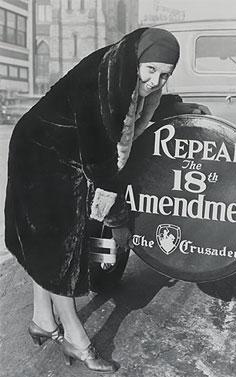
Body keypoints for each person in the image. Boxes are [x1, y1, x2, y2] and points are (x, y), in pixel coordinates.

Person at [4, 27, 210, 373]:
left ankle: (43, 319)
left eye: (165, 75)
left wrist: (177, 106)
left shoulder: (127, 71)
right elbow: (100, 161)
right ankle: (76, 339)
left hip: (63, 149)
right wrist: (118, 218)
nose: (156, 81)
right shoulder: (102, 80)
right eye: (151, 71)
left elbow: (139, 106)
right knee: (59, 250)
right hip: (41, 154)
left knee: (46, 243)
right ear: (137, 61)